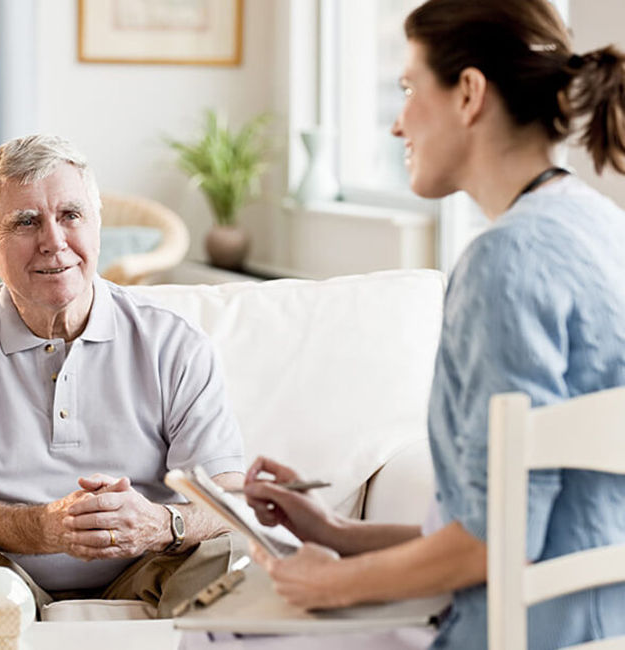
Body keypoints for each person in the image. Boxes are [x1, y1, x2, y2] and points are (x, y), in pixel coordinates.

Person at [245, 0, 625, 647]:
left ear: (469, 94)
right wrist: (337, 535)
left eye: (407, 89)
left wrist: (325, 584)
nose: (396, 125)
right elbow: (507, 520)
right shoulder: (600, 226)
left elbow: (494, 546)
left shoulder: (505, 259)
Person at [0, 134, 245, 617]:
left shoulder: (174, 342)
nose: (54, 242)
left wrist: (160, 524)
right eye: (26, 222)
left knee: (233, 553)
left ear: (97, 227)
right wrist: (42, 527)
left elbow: (231, 500)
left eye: (71, 216)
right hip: (5, 584)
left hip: (148, 573)